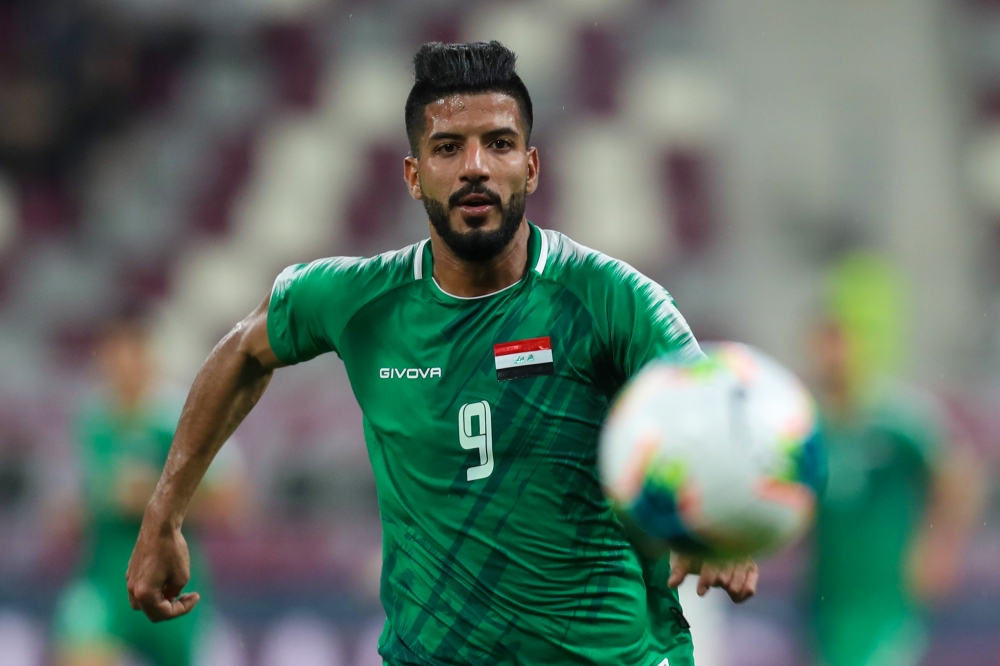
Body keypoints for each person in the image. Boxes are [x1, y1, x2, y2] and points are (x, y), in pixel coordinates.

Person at [126, 41, 758, 665]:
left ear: (532, 167)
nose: (475, 166)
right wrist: (164, 515)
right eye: (448, 148)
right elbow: (242, 351)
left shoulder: (611, 298)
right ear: (413, 174)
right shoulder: (360, 300)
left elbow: (704, 407)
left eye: (499, 143)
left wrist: (721, 518)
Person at [809, 253, 985, 666]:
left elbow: (959, 477)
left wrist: (939, 546)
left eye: (840, 339)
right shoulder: (807, 423)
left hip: (884, 599)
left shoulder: (899, 419)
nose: (831, 353)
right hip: (825, 595)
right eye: (824, 339)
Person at [53, 315, 244, 666]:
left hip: (171, 581)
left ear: (149, 358)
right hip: (105, 578)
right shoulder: (90, 421)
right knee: (81, 655)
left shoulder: (181, 417)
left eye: (133, 355)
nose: (123, 367)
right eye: (115, 355)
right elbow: (63, 508)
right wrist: (88, 507)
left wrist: (154, 501)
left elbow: (230, 500)